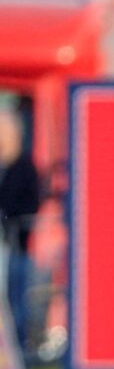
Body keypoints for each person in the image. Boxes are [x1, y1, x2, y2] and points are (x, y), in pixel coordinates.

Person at [0, 107, 40, 353]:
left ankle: (20, 351)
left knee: (16, 298)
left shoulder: (24, 167)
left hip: (15, 245)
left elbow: (30, 203)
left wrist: (7, 215)